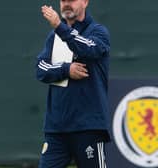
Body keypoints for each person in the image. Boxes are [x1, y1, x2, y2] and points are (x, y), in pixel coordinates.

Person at [36, 0, 111, 167]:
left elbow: (88, 48)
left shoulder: (98, 31)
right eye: (63, 1)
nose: (66, 4)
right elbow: (41, 69)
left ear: (85, 2)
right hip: (57, 129)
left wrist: (60, 27)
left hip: (88, 127)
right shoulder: (54, 36)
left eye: (72, 0)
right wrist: (66, 69)